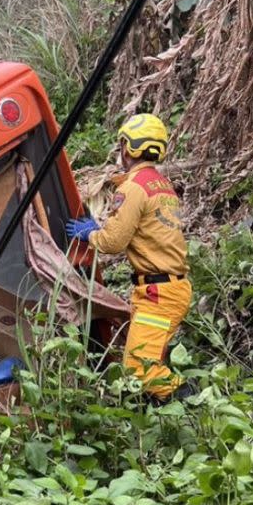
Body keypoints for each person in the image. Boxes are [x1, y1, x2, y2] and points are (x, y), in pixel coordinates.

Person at [66, 113, 193, 403]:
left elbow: (113, 242)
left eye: (123, 144)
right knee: (151, 361)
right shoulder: (161, 184)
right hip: (167, 289)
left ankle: (196, 404)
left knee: (140, 372)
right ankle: (164, 417)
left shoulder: (132, 188)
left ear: (130, 148)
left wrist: (91, 235)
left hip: (159, 293)